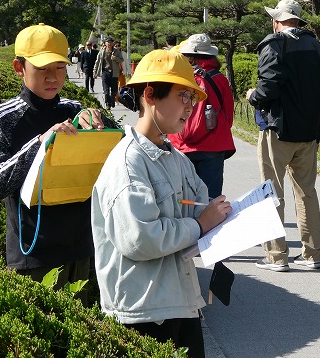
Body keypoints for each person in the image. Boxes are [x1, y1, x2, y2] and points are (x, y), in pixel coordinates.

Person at [92, 49, 232, 357]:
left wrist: (226, 219)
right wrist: (200, 225)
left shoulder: (176, 158)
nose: (190, 106)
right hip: (143, 312)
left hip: (179, 301)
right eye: (183, 96)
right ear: (150, 95)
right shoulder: (128, 163)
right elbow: (140, 238)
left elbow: (199, 207)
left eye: (192, 98)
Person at [0, 23, 108, 303]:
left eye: (60, 67)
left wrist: (101, 122)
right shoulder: (2, 118)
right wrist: (40, 143)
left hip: (82, 249)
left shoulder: (75, 110)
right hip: (33, 255)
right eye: (42, 69)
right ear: (19, 67)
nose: (53, 77)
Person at [246, 0, 320, 272]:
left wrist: (253, 96)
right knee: (307, 193)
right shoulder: (315, 45)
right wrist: (318, 130)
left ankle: (276, 255)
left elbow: (268, 87)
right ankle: (312, 254)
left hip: (277, 129)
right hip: (308, 132)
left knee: (272, 191)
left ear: (276, 20)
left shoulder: (274, 44)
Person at [168, 33, 235, 198]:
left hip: (181, 145)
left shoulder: (181, 78)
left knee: (183, 199)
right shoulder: (219, 79)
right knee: (211, 199)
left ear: (189, 55)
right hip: (213, 145)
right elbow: (228, 116)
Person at [94, 37, 123, 109]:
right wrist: (95, 72)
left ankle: (112, 100)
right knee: (106, 91)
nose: (109, 43)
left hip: (114, 73)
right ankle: (108, 104)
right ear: (105, 43)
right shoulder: (102, 51)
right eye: (108, 42)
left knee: (114, 91)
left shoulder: (116, 51)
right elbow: (97, 62)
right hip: (105, 72)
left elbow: (121, 60)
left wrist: (115, 58)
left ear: (112, 43)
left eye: (110, 42)